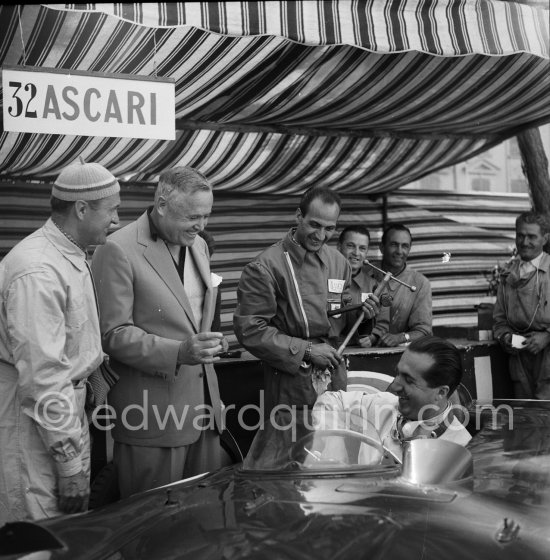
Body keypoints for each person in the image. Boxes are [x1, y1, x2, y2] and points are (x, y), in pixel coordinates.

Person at [91, 166, 227, 499]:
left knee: (203, 519)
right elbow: (113, 334)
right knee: (150, 528)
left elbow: (194, 320)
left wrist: (209, 341)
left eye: (206, 216)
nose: (201, 226)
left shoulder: (198, 246)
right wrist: (179, 352)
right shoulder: (116, 248)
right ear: (162, 204)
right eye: (192, 217)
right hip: (151, 419)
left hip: (205, 413)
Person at [0, 159, 121, 522]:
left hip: (59, 416)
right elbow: (43, 376)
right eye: (112, 210)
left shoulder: (69, 253)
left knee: (67, 526)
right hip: (36, 421)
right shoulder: (38, 270)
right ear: (81, 209)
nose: (117, 220)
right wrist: (69, 464)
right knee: (42, 528)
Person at [233, 186, 380, 416]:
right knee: (294, 448)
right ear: (299, 216)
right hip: (291, 384)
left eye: (329, 228)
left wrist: (365, 316)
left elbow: (342, 319)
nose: (321, 236)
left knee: (334, 446)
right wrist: (308, 350)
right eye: (315, 225)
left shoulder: (338, 262)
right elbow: (250, 330)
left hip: (334, 381)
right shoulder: (265, 267)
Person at [312, 336, 471, 464]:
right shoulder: (383, 404)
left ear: (441, 393)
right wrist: (334, 458)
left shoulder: (461, 451)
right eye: (398, 374)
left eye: (409, 380)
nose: (395, 387)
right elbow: (331, 401)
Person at [493, 211, 550, 399]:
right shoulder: (507, 274)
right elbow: (499, 321)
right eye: (520, 235)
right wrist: (506, 337)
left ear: (545, 238)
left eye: (532, 236)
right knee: (525, 418)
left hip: (548, 359)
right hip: (520, 362)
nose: (525, 242)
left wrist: (547, 336)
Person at [367, 223, 432, 347]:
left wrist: (401, 337)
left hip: (401, 356)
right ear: (381, 247)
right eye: (394, 244)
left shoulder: (420, 283)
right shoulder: (365, 272)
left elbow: (424, 331)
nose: (399, 251)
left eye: (405, 246)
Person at [337, 225, 390, 347]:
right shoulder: (323, 280)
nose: (356, 253)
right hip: (324, 350)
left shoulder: (377, 288)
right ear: (339, 247)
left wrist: (372, 337)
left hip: (358, 352)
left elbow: (382, 324)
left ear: (366, 252)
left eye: (362, 248)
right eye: (350, 246)